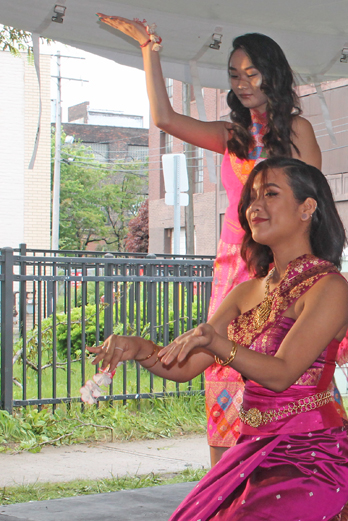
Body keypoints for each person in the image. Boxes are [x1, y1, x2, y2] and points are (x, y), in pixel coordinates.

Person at [89, 158, 348, 521]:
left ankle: (329, 512)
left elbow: (282, 374)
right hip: (254, 448)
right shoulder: (248, 290)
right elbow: (184, 368)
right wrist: (137, 349)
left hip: (311, 455)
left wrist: (216, 341)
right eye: (252, 197)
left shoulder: (329, 288)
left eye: (270, 194)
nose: (254, 207)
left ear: (307, 208)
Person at [96, 14, 322, 466]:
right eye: (234, 75)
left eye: (251, 73)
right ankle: (224, 480)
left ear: (273, 74)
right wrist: (150, 51)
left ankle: (319, 466)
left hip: (282, 270)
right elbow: (164, 118)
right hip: (235, 268)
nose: (242, 83)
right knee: (221, 365)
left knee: (296, 369)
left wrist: (311, 277)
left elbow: (315, 207)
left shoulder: (298, 132)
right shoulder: (231, 135)